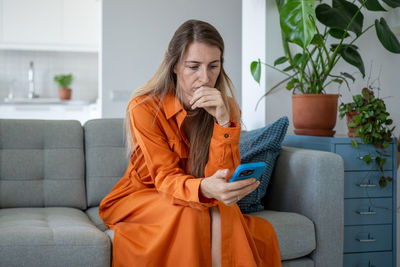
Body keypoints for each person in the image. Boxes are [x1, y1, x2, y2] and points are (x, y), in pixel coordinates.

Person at [99, 19, 281, 267]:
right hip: (145, 196)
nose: (205, 78)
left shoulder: (227, 108)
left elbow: (221, 176)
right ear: (174, 66)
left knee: (215, 210)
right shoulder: (144, 107)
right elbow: (164, 177)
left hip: (199, 195)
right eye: (193, 67)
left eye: (213, 66)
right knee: (196, 211)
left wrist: (223, 123)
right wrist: (205, 189)